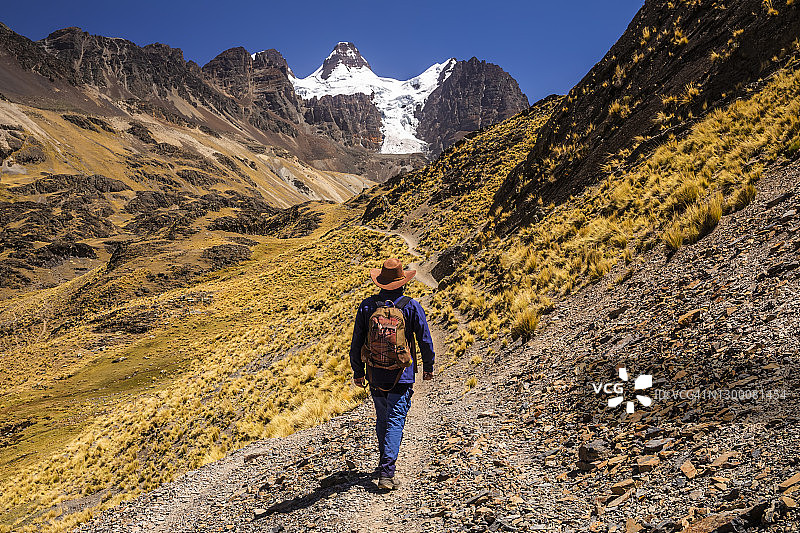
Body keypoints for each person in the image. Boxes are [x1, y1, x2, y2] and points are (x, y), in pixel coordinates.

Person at [349, 257, 435, 490]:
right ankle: (387, 473)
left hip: (375, 372)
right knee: (396, 419)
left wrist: (358, 371)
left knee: (383, 418)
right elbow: (424, 339)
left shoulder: (367, 306)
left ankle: (383, 465)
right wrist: (428, 366)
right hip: (402, 374)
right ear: (402, 282)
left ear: (380, 283)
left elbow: (356, 342)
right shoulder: (410, 306)